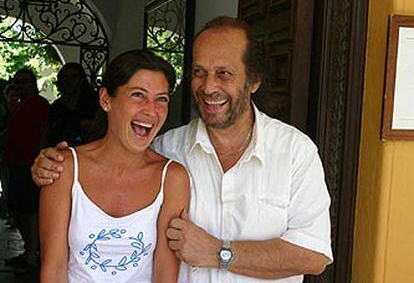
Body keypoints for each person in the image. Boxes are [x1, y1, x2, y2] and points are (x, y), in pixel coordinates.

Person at [32, 16, 333, 282]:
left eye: (224, 74)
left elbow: (314, 256)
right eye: (200, 72)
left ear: (253, 80)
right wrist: (48, 165)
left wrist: (218, 252)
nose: (208, 86)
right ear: (106, 99)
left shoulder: (295, 152)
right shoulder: (167, 149)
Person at [39, 50, 190, 282]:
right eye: (138, 95)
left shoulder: (171, 177)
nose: (151, 110)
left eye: (161, 99)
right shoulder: (65, 168)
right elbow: (54, 269)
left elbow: (165, 275)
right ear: (105, 100)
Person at [4, 68, 49, 270]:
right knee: (18, 208)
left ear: (33, 84)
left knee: (30, 209)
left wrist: (38, 159)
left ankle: (33, 253)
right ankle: (29, 250)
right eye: (18, 82)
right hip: (15, 163)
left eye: (25, 82)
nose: (21, 86)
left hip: (29, 165)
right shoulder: (19, 106)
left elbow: (43, 132)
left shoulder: (38, 104)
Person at [46, 62, 99, 147]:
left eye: (74, 77)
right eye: (65, 77)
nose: (69, 81)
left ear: (81, 80)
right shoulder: (56, 107)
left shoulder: (93, 100)